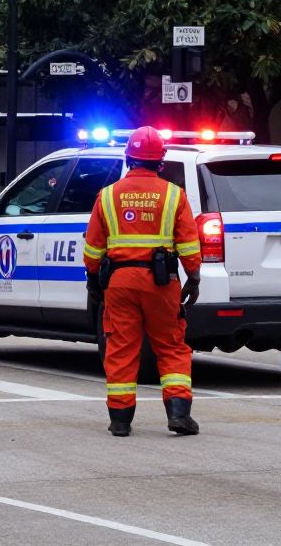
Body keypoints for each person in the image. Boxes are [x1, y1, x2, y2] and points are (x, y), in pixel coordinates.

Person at [83, 126, 202, 438]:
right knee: (171, 346)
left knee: (121, 347)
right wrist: (195, 277)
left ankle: (120, 419)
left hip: (120, 282)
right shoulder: (175, 195)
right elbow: (189, 244)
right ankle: (178, 414)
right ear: (160, 161)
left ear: (128, 158)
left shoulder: (107, 195)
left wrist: (93, 280)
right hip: (162, 283)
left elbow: (93, 246)